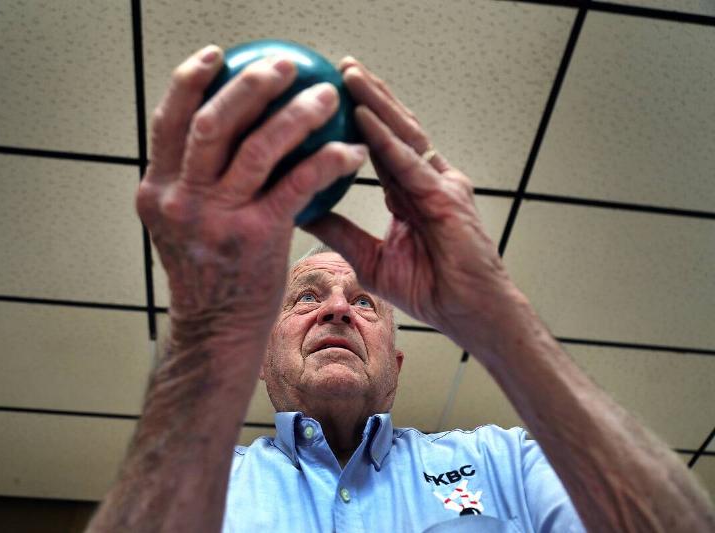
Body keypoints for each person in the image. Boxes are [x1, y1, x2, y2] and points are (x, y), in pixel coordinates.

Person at [86, 45, 714, 532]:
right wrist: (205, 336)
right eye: (305, 297)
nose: (336, 307)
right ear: (261, 359)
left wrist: (498, 315)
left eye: (365, 302)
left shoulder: (508, 466)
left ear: (396, 362)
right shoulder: (203, 484)